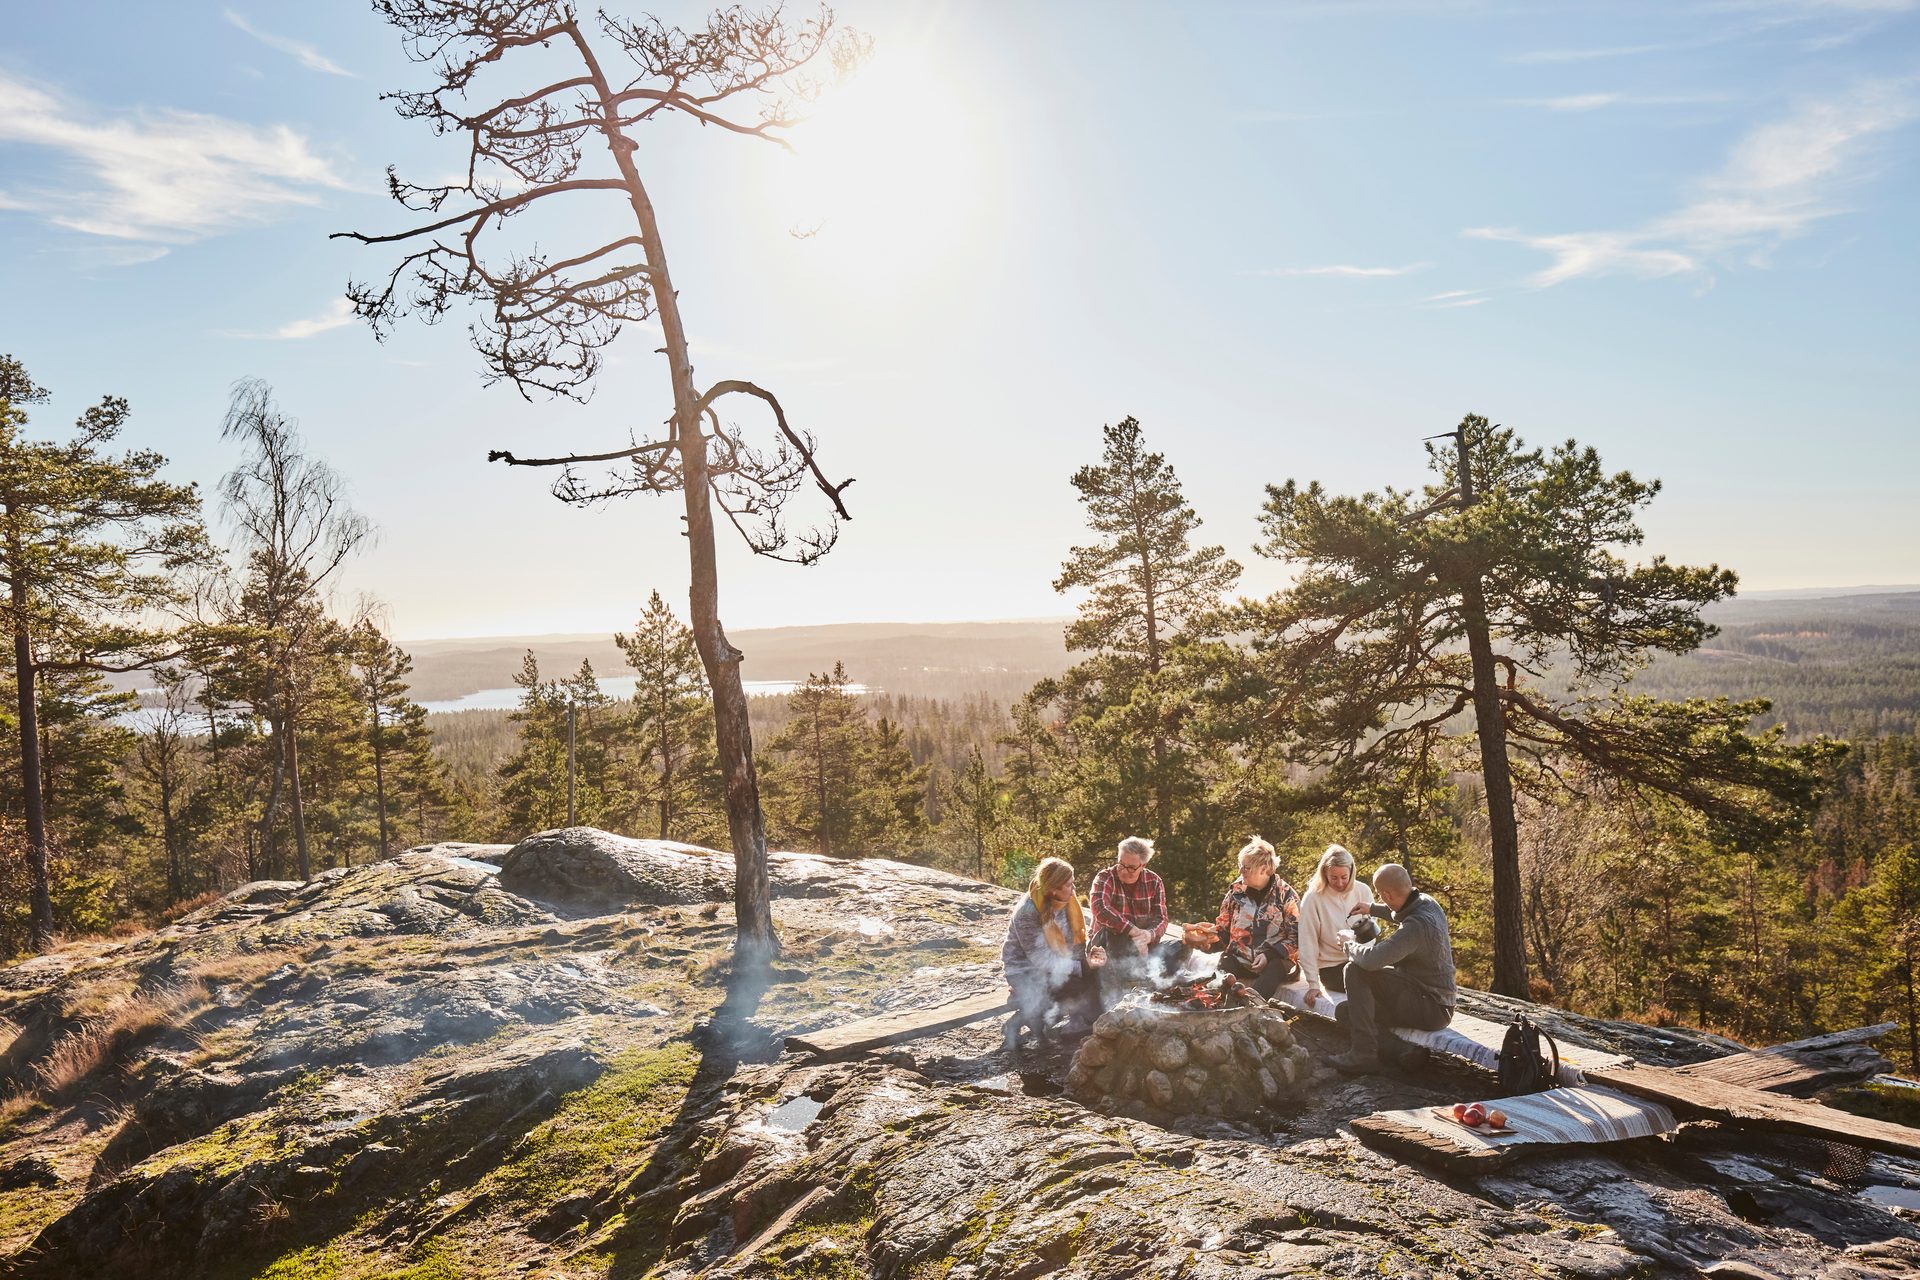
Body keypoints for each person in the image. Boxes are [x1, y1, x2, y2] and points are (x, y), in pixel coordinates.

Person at [1330, 863, 1456, 1074]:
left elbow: (1371, 960)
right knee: (1346, 1012)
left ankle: (1363, 1055)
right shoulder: (1427, 902)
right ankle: (1403, 1051)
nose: (1382, 900)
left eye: (1382, 896)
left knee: (1354, 969)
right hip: (1431, 1001)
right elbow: (1401, 909)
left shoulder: (1415, 927)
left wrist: (1347, 943)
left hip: (1429, 1005)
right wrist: (1372, 908)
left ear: (1387, 894)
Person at [1002, 857, 1106, 1047]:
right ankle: (1019, 1022)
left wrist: (1090, 956)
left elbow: (1075, 940)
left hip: (1056, 963)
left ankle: (1078, 1022)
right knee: (1073, 983)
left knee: (1093, 976)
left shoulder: (1067, 901)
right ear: (1053, 889)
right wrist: (1081, 966)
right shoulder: (1028, 911)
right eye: (1069, 885)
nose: (1074, 889)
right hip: (1026, 970)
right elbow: (1041, 959)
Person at [1194, 836, 1301, 997]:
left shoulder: (1286, 896)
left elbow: (1297, 938)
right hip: (1240, 958)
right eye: (1240, 866)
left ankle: (1251, 1006)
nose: (1240, 871)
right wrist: (1208, 941)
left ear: (1264, 869)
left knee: (1275, 969)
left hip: (1275, 961)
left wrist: (1268, 955)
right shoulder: (1235, 892)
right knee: (1219, 975)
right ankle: (1210, 1004)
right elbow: (1223, 930)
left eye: (1246, 868)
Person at [1086, 836, 1183, 986]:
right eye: (1121, 864)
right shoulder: (1105, 877)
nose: (1124, 871)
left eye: (1131, 868)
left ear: (1143, 865)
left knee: (1182, 946)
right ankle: (1131, 981)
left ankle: (1155, 981)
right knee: (1121, 939)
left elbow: (1161, 919)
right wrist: (1134, 931)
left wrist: (1148, 935)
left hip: (1143, 946)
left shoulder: (1154, 881)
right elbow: (1100, 908)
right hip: (1107, 945)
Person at [1296, 844, 1375, 1010]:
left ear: (1351, 872)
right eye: (1334, 878)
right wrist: (1313, 983)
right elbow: (1307, 942)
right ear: (1325, 873)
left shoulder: (1363, 891)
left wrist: (1358, 951)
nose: (1340, 883)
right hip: (1331, 968)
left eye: (1344, 877)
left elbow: (1371, 935)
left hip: (1362, 961)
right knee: (1369, 987)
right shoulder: (1313, 898)